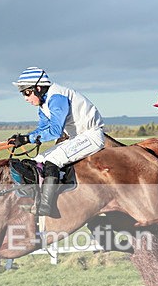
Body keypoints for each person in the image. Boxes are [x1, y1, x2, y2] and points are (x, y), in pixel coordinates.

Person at [8, 67, 105, 217]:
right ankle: (36, 197)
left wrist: (27, 139)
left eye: (26, 92)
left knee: (53, 160)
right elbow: (42, 128)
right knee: (38, 159)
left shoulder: (57, 98)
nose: (25, 98)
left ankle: (46, 206)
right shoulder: (43, 104)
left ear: (38, 88)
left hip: (91, 135)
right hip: (76, 137)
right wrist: (23, 138)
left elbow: (55, 131)